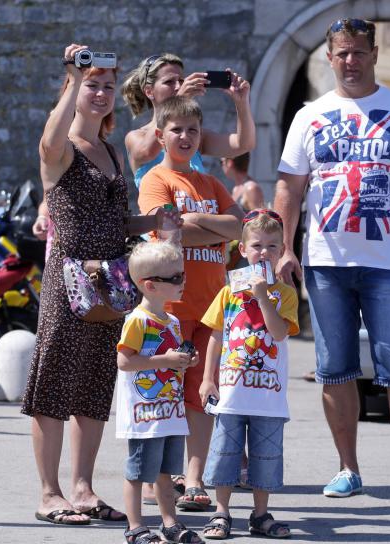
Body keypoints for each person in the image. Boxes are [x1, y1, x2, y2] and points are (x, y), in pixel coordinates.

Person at [274, 18, 390, 505]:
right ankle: (347, 468)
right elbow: (290, 186)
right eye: (341, 53)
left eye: (359, 52)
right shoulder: (310, 116)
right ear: (329, 58)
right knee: (335, 369)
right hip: (325, 264)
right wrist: (285, 248)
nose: (350, 61)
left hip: (387, 265)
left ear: (374, 55)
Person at [21, 43, 175, 526]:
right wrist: (71, 78)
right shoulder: (62, 147)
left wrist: (150, 219)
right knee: (51, 384)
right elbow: (48, 146)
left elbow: (111, 220)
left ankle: (83, 489)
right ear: (73, 89)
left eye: (109, 86)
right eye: (94, 85)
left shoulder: (110, 150)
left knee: (92, 387)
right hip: (70, 280)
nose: (103, 93)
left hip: (111, 283)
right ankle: (50, 493)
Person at [139, 96, 244, 512]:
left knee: (202, 397)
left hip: (211, 307)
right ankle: (158, 478)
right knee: (164, 394)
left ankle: (195, 479)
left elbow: (239, 226)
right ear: (161, 135)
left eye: (193, 131)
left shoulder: (212, 183)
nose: (185, 137)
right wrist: (213, 229)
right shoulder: (155, 179)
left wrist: (197, 226)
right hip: (172, 308)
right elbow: (165, 231)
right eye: (177, 130)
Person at [199, 209, 299, 540]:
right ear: (242, 250)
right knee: (225, 452)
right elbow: (216, 334)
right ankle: (222, 511)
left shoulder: (284, 293)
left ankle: (260, 513)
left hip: (267, 396)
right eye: (257, 245)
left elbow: (280, 333)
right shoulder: (229, 290)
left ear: (282, 249)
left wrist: (262, 296)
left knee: (264, 456)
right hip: (231, 392)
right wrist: (207, 378)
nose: (264, 253)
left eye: (273, 246)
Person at [116, 241, 203, 544]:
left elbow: (169, 364)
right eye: (176, 278)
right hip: (145, 414)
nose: (183, 282)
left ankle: (170, 522)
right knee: (138, 471)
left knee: (167, 472)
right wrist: (165, 360)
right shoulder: (137, 321)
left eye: (183, 275)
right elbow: (125, 361)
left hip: (169, 412)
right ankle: (135, 526)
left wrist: (184, 362)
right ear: (150, 285)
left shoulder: (174, 321)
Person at [121, 53, 255, 189]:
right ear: (149, 91)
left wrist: (242, 102)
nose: (178, 86)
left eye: (181, 81)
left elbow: (243, 145)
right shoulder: (136, 136)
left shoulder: (194, 135)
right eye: (169, 82)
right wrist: (178, 100)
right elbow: (147, 151)